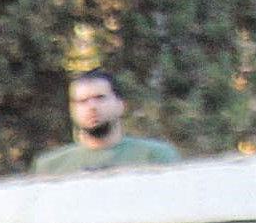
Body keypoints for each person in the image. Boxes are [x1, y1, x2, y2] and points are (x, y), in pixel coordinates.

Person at [32, 67, 179, 175]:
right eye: (82, 101)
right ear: (72, 110)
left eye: (100, 98)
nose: (92, 107)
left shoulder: (155, 156)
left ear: (121, 105)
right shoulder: (51, 167)